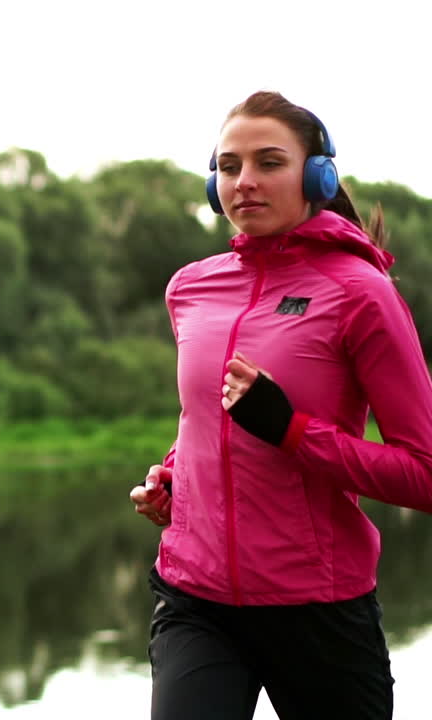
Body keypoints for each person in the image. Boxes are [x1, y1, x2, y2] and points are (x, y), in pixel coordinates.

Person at [128, 90, 432, 720]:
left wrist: (293, 432)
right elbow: (203, 425)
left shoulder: (361, 292)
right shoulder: (190, 288)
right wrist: (173, 477)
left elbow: (425, 472)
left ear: (317, 175)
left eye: (269, 162)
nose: (245, 182)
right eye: (229, 166)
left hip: (317, 610)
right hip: (196, 599)